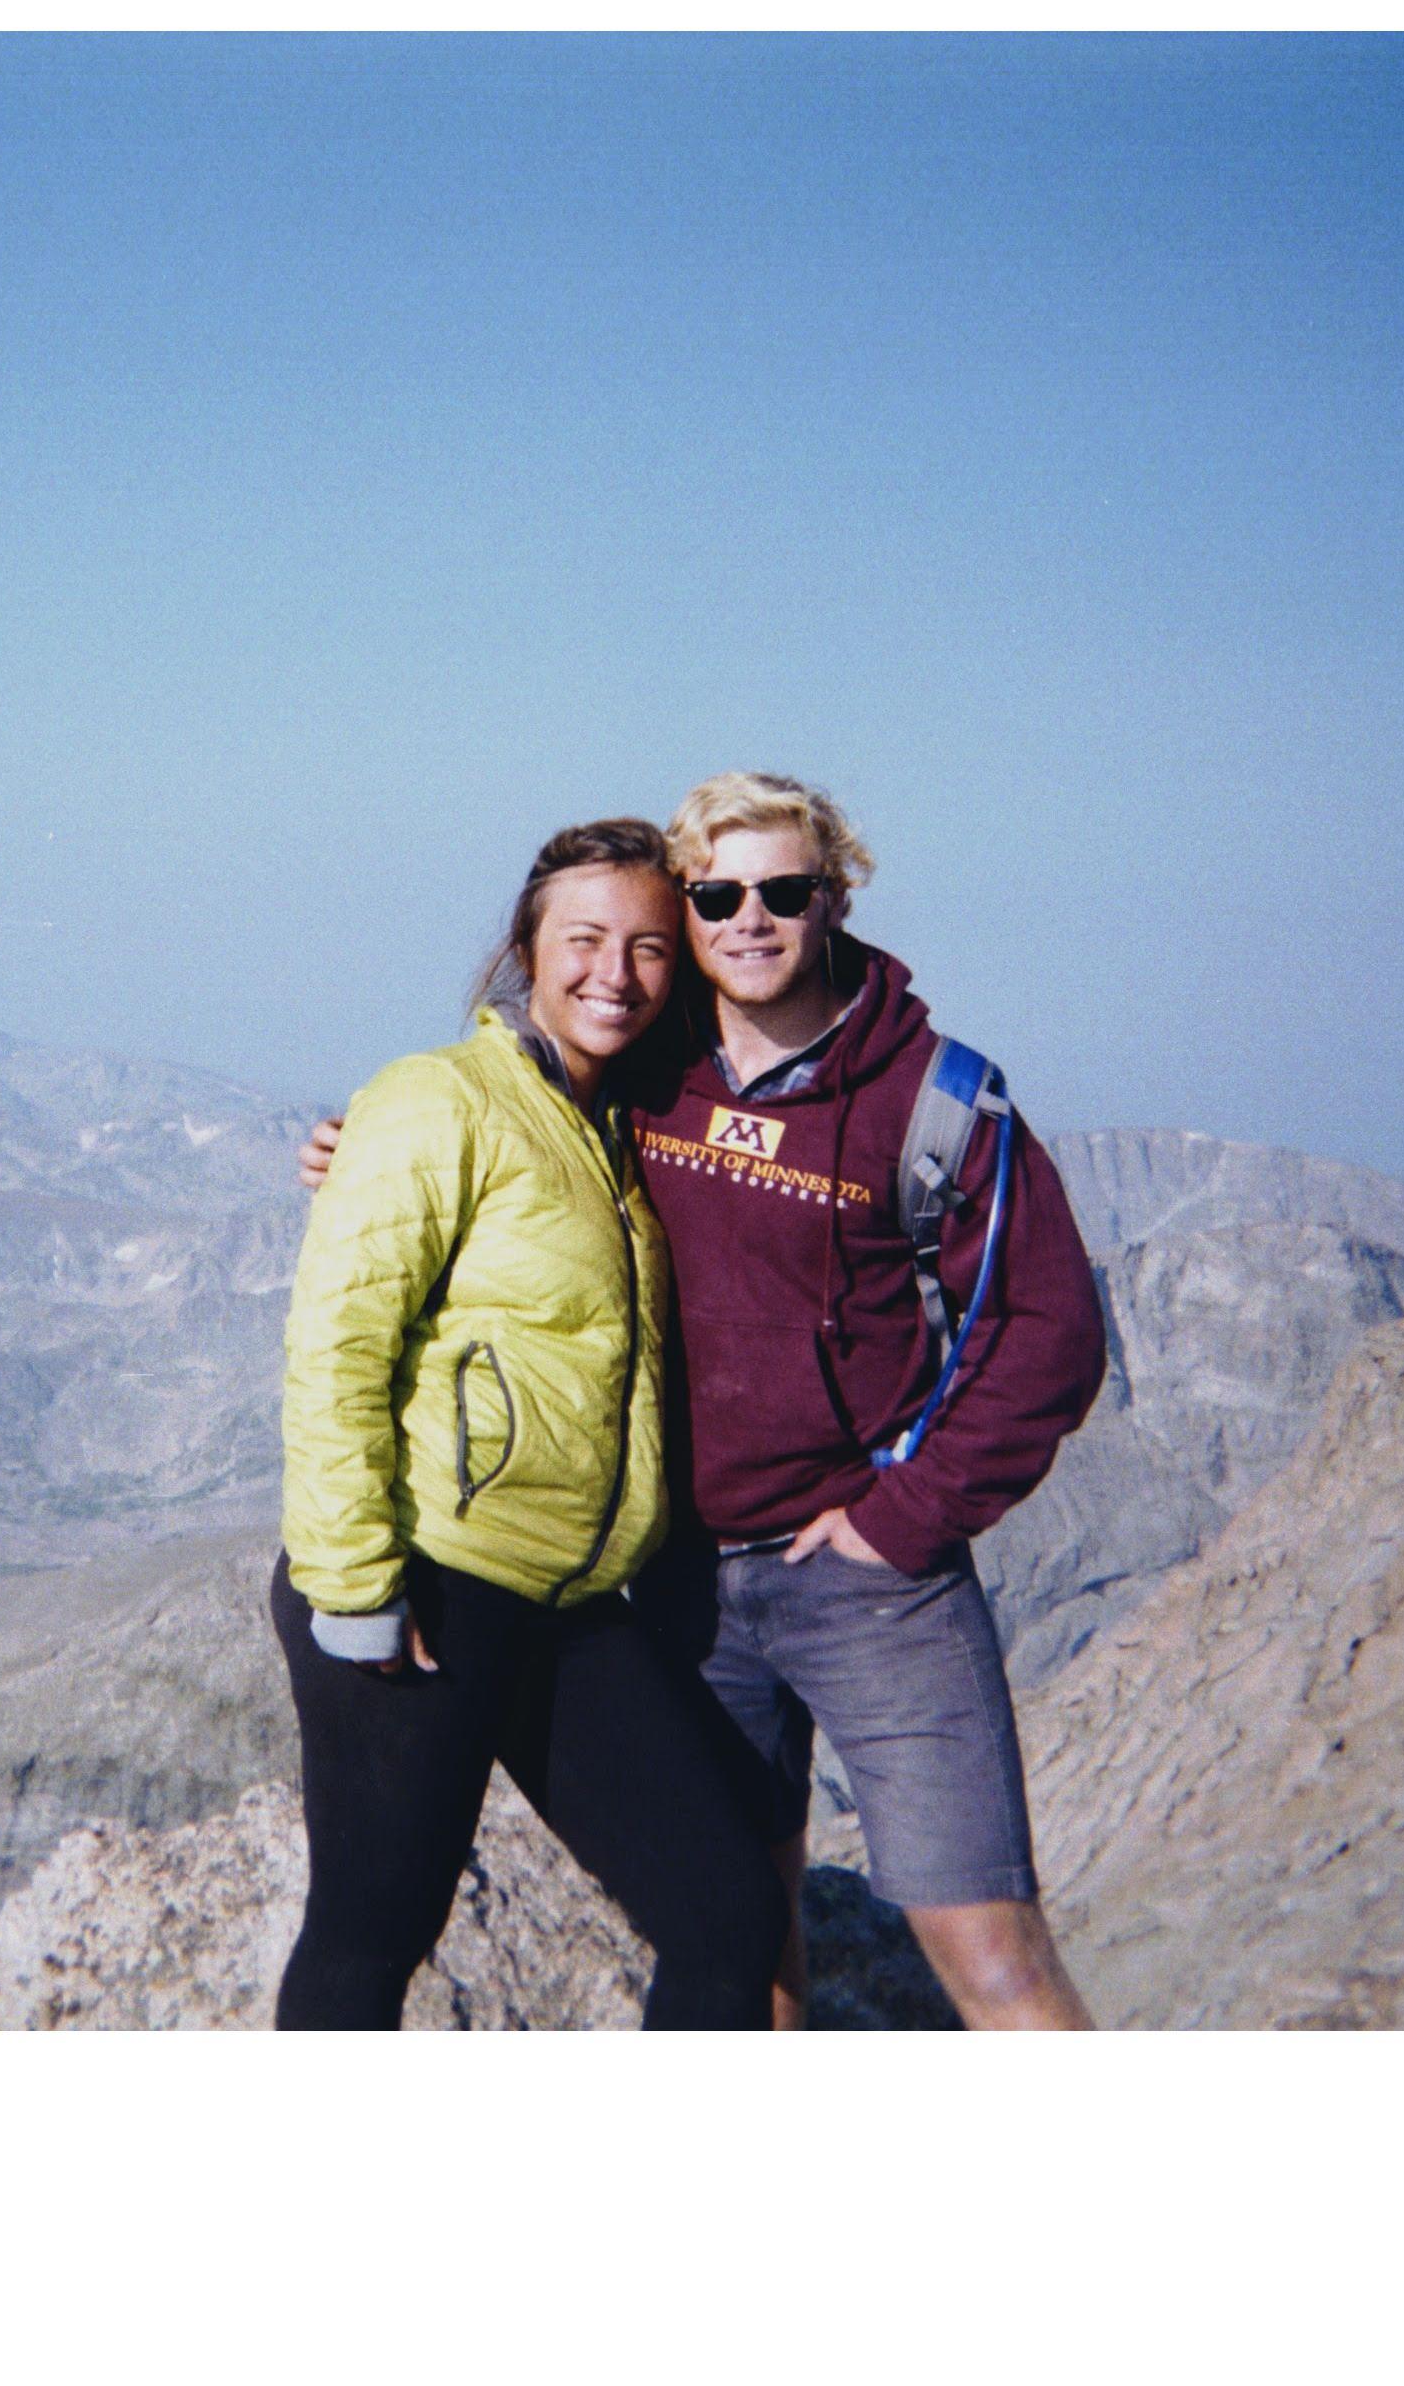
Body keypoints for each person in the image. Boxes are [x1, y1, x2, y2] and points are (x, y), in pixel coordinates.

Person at [304, 774, 1105, 2029]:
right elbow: (487, 1142)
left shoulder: (931, 1098)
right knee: (749, 1930)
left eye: (781, 892)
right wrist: (360, 1149)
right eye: (716, 896)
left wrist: (904, 1517)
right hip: (684, 1586)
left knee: (988, 1953)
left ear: (832, 899)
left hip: (868, 1579)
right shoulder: (655, 1072)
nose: (746, 919)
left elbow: (1050, 1333)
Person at [271, 817, 787, 2030]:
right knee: (370, 1937)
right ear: (526, 946)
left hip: (567, 1608)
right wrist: (354, 1591)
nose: (617, 974)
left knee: (728, 1916)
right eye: (587, 939)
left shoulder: (619, 1126)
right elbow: (338, 1343)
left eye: (654, 948)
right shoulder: (436, 1098)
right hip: (430, 1589)